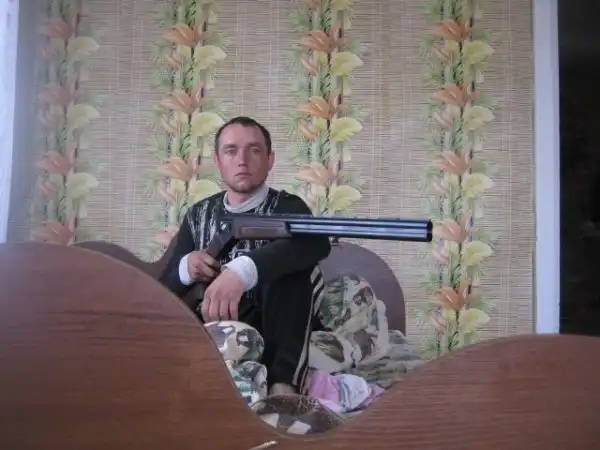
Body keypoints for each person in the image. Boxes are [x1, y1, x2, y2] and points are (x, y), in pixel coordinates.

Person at [159, 116, 331, 396]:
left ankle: (283, 387)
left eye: (254, 150)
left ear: (270, 160)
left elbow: (316, 244)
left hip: (280, 324)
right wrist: (187, 267)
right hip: (220, 326)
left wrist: (242, 271)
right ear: (217, 161)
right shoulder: (198, 214)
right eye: (231, 151)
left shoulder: (288, 206)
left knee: (293, 270)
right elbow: (163, 289)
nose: (242, 160)